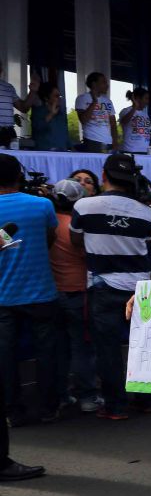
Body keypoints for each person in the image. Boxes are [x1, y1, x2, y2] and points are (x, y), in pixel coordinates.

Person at [70, 153, 151, 421]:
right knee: (141, 345)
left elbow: (75, 240)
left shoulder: (84, 206)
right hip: (140, 286)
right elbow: (146, 243)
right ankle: (145, 400)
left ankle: (116, 406)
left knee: (107, 350)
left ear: (104, 176)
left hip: (103, 285)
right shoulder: (146, 212)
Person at [0, 153, 60, 425]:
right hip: (41, 291)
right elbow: (49, 238)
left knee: (5, 356)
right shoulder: (42, 205)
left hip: (3, 295)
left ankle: (12, 411)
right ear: (19, 176)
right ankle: (49, 407)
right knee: (47, 352)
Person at [50, 179, 99, 414]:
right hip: (79, 292)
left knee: (58, 348)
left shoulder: (49, 223)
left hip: (52, 293)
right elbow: (87, 256)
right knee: (82, 347)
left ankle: (60, 395)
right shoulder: (76, 226)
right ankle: (87, 396)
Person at [74, 72, 118, 153]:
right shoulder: (82, 98)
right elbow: (83, 120)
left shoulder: (108, 101)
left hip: (108, 142)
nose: (107, 85)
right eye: (103, 82)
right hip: (92, 141)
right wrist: (94, 102)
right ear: (94, 84)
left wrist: (115, 142)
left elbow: (113, 124)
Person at [31, 82, 69, 151]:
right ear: (46, 98)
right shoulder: (38, 112)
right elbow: (37, 128)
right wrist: (51, 114)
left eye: (60, 96)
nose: (59, 98)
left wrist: (71, 148)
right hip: (44, 153)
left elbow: (65, 135)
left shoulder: (61, 114)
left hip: (62, 152)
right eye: (56, 96)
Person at [0, 69, 34, 147]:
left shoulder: (9, 87)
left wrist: (33, 91)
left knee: (12, 155)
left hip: (8, 133)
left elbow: (24, 108)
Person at [118, 88, 151, 154]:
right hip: (130, 150)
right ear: (138, 98)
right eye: (146, 98)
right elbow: (123, 122)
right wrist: (135, 107)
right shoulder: (126, 111)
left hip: (144, 151)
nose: (147, 102)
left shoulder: (145, 114)